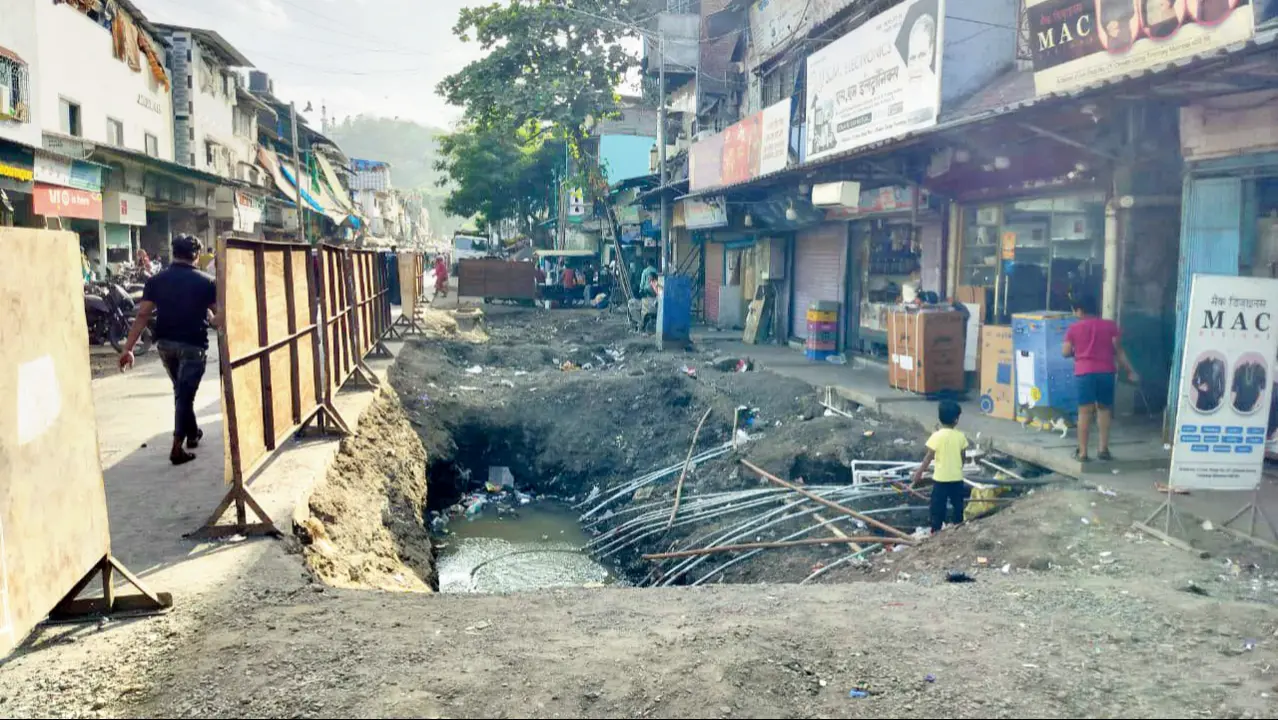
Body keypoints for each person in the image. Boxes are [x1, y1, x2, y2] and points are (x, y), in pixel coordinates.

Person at [118, 235, 217, 466]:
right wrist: (215, 318)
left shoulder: (156, 281)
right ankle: (176, 447)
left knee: (181, 392)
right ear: (196, 255)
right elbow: (217, 316)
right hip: (193, 345)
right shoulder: (206, 282)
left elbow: (142, 314)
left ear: (173, 253)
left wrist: (128, 348)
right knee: (184, 394)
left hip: (165, 346)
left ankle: (192, 434)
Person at [1062, 293, 1138, 462]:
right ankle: (1103, 449)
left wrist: (1078, 352)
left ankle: (1082, 453)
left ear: (1080, 310)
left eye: (1075, 311)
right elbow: (1118, 351)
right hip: (1106, 372)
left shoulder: (1074, 328)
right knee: (1104, 410)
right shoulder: (1110, 326)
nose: (1075, 314)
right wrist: (1130, 371)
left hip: (1084, 373)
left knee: (1084, 412)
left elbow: (1065, 352)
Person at [910, 400, 969, 534]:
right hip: (956, 478)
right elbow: (963, 456)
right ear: (956, 419)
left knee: (937, 506)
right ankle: (958, 527)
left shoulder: (936, 436)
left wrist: (919, 473)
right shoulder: (960, 436)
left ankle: (936, 530)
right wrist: (959, 466)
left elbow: (928, 457)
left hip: (941, 479)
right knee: (958, 505)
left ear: (940, 418)